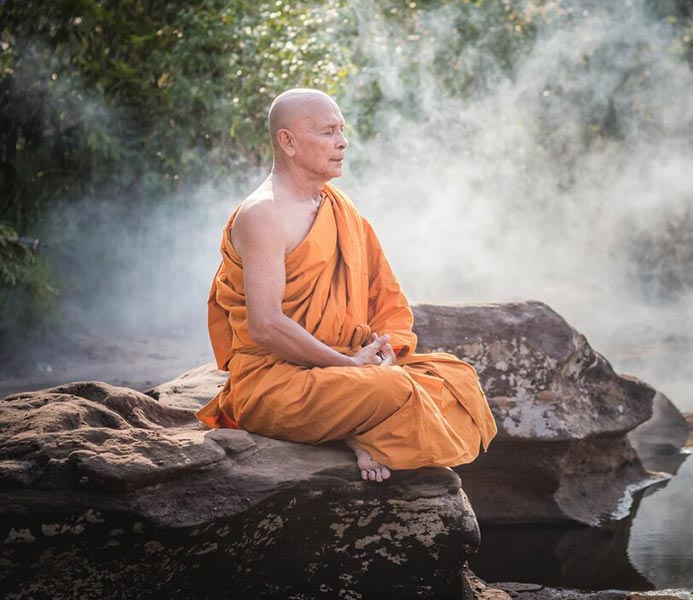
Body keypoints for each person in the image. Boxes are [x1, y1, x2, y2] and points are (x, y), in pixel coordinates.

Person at [195, 88, 497, 482]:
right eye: (326, 132)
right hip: (277, 381)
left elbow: (381, 296)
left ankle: (352, 429)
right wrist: (350, 366)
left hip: (343, 368)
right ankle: (359, 433)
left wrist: (380, 349)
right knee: (392, 391)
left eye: (341, 130)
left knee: (458, 380)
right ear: (287, 141)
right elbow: (265, 325)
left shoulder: (338, 207)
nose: (342, 142)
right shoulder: (263, 214)